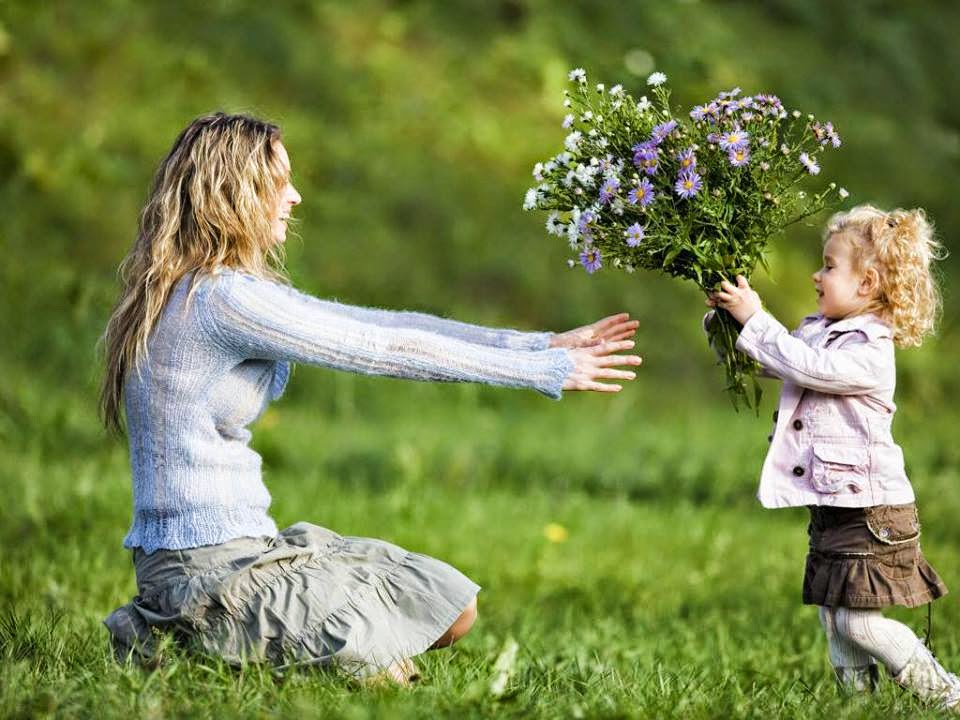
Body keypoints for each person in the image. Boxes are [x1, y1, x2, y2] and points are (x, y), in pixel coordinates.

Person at [99, 112, 641, 683]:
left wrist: (537, 345)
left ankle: (209, 651)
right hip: (205, 575)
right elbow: (387, 347)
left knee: (450, 606)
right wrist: (546, 370)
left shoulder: (209, 290)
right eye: (280, 183)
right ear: (235, 192)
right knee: (388, 677)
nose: (296, 197)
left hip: (250, 552)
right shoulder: (219, 299)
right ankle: (185, 643)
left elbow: (376, 322)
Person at [706, 205, 958, 708]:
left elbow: (806, 366)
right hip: (838, 506)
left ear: (866, 283)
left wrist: (755, 316)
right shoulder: (820, 330)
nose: (815, 275)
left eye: (828, 265)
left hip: (873, 513)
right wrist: (724, 322)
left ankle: (947, 695)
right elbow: (771, 361)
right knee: (832, 612)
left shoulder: (869, 351)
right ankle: (856, 705)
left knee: (855, 619)